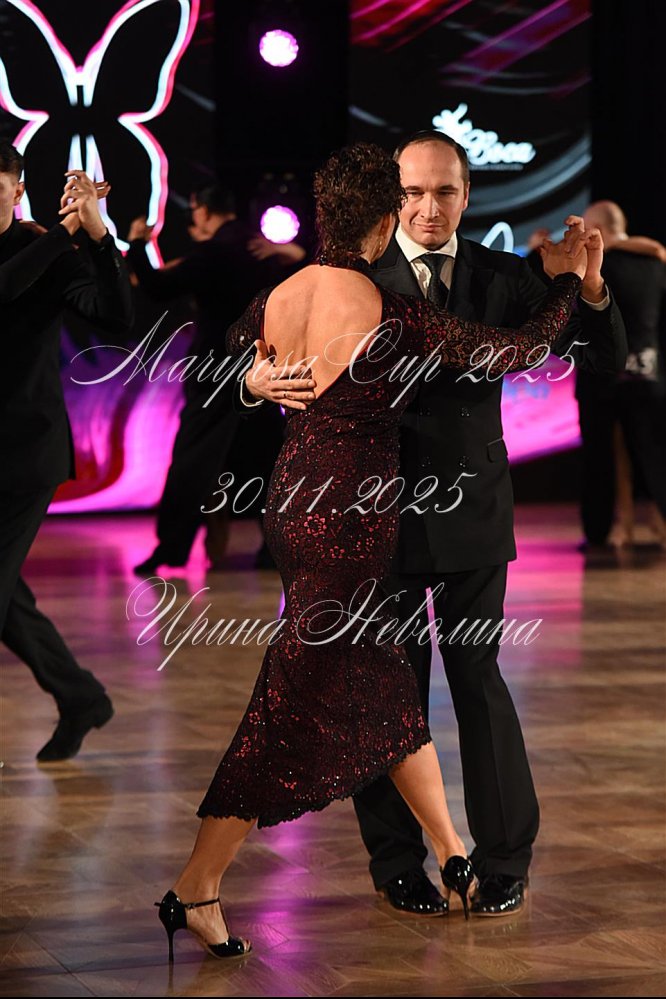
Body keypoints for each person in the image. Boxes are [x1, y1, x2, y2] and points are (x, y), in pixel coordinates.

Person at [154, 142, 591, 961]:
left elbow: (235, 352)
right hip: (353, 522)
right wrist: (565, 286)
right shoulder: (388, 310)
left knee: (382, 688)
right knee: (292, 704)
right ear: (388, 217)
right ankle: (195, 884)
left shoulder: (284, 291)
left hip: (296, 506)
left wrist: (253, 380)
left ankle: (452, 850)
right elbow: (521, 351)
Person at [0, 141, 133, 761]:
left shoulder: (47, 253)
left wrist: (99, 239)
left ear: (17, 190)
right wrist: (63, 233)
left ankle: (80, 697)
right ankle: (80, 697)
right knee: (8, 600)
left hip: (25, 455)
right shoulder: (45, 246)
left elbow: (115, 317)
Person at [128, 185, 287, 575]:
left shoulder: (216, 251)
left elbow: (156, 287)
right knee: (265, 460)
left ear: (203, 211)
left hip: (215, 371)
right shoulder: (260, 247)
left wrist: (137, 244)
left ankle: (171, 548)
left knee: (192, 460)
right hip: (261, 365)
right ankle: (274, 550)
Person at [576, 201, 666, 547]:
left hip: (600, 373)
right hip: (648, 369)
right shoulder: (653, 261)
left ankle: (599, 532)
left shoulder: (595, 264)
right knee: (656, 455)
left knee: (599, 458)